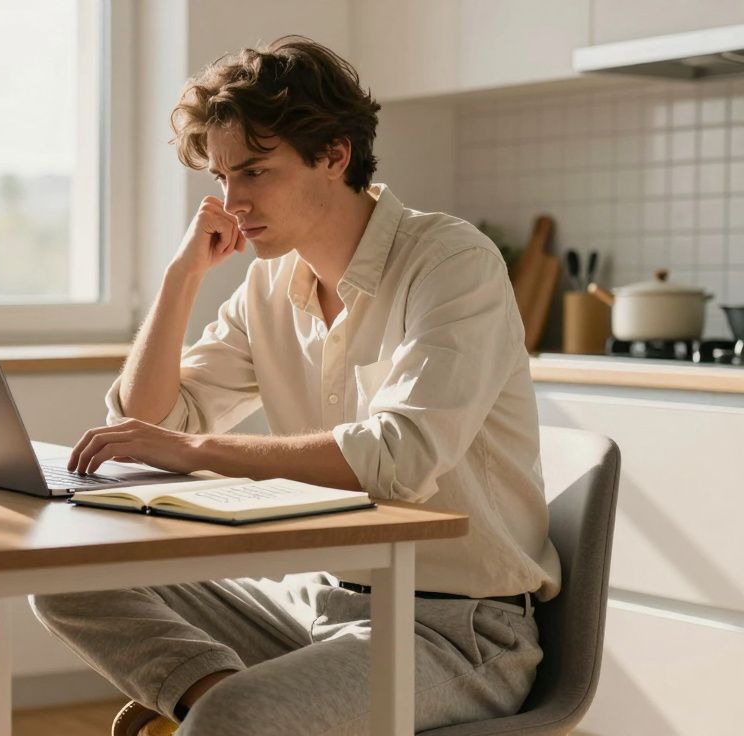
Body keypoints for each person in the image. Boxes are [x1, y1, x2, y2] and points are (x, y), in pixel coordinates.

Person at [30, 36, 560, 736]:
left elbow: (396, 460)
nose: (231, 202)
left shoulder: (450, 262)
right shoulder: (270, 284)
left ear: (334, 155)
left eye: (253, 172)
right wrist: (179, 279)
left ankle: (231, 712)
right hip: (321, 603)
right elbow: (149, 420)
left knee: (236, 718)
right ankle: (224, 701)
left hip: (456, 632)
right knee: (67, 578)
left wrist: (193, 450)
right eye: (220, 178)